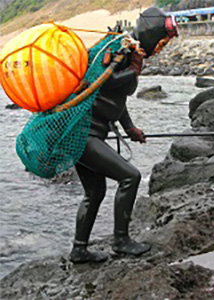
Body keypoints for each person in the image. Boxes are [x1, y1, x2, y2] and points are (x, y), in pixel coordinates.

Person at [69, 6, 179, 263]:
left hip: (80, 132)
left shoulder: (129, 49)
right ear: (152, 33)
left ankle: (79, 249)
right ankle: (121, 241)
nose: (161, 47)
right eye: (162, 40)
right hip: (85, 133)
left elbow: (115, 98)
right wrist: (134, 70)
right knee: (131, 177)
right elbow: (107, 80)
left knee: (94, 193)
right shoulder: (125, 49)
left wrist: (130, 128)